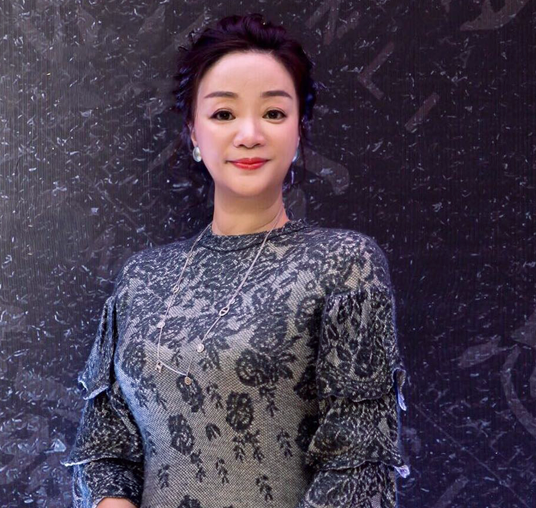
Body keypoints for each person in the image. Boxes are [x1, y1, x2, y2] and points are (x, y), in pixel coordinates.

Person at [61, 12, 410, 508]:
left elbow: (357, 466)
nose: (249, 133)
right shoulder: (141, 278)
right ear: (193, 132)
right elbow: (104, 448)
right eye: (224, 114)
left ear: (299, 131)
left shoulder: (344, 265)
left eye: (273, 113)